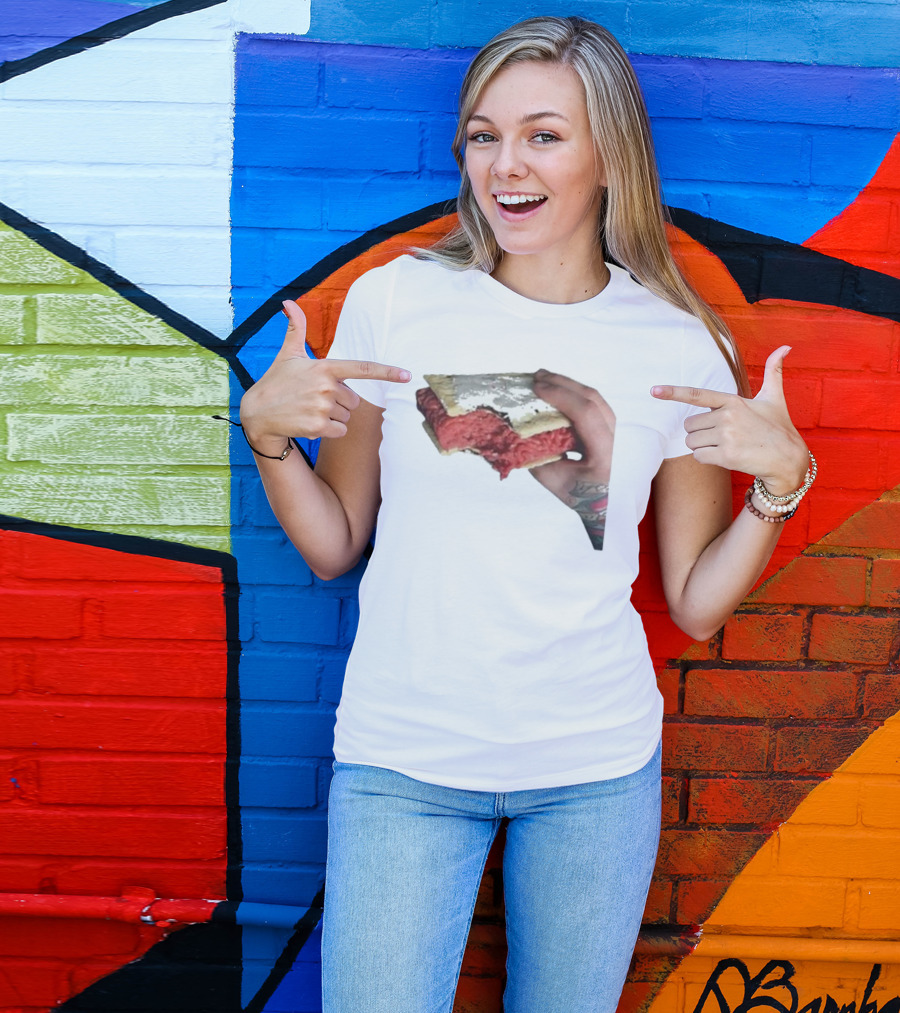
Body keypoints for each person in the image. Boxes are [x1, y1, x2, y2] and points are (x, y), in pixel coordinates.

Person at [238, 15, 813, 1013]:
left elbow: (695, 600)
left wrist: (781, 485)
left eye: (544, 135)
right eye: (483, 135)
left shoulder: (678, 343)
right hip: (405, 760)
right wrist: (268, 438)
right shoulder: (395, 301)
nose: (505, 165)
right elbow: (335, 544)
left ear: (609, 157)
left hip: (595, 769)